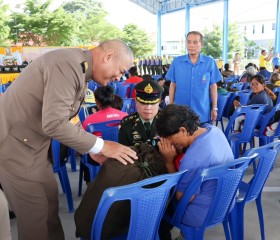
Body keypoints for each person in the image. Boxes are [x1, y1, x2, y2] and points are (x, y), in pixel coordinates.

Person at [0, 39, 138, 240]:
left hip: (34, 146)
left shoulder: (80, 68)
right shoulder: (68, 64)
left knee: (49, 205)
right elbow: (54, 123)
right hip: (14, 147)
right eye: (120, 70)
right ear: (108, 56)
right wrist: (103, 146)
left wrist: (89, 148)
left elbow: (65, 116)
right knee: (36, 216)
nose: (119, 77)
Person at [156, 104, 234, 239]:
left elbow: (182, 197)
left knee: (158, 207)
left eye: (169, 140)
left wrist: (169, 161)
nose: (170, 145)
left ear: (182, 130)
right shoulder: (213, 130)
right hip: (228, 199)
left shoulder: (192, 159)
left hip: (204, 213)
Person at [166, 31, 222, 124]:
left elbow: (213, 86)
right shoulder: (177, 62)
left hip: (202, 113)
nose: (191, 45)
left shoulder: (209, 62)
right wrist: (171, 106)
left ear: (201, 44)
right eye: (188, 42)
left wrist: (214, 108)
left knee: (201, 138)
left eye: (195, 42)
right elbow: (173, 84)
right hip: (180, 114)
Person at [118, 79, 164, 147]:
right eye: (143, 103)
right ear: (136, 101)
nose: (148, 107)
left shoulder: (166, 121)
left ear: (159, 102)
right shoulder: (127, 123)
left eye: (152, 103)